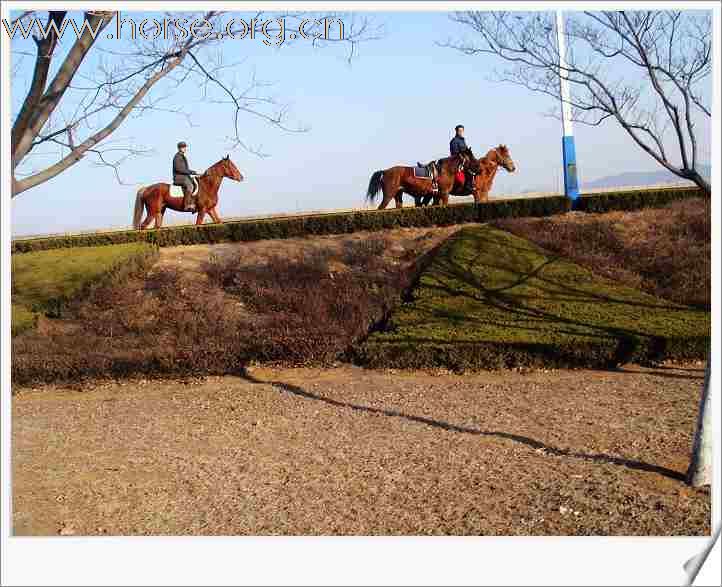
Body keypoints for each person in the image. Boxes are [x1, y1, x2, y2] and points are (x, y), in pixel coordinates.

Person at [172, 141, 198, 211]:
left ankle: (192, 201)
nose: (184, 148)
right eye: (183, 147)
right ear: (179, 148)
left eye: (185, 147)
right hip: (178, 177)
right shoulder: (177, 157)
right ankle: (187, 205)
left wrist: (193, 172)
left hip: (183, 176)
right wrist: (191, 172)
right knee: (190, 185)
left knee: (195, 183)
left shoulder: (182, 156)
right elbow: (179, 169)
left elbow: (185, 169)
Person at [449, 125, 474, 195]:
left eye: (461, 131)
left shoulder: (463, 140)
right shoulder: (454, 141)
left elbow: (466, 151)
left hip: (465, 160)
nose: (460, 132)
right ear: (456, 131)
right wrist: (462, 157)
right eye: (459, 131)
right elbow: (454, 153)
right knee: (469, 171)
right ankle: (467, 186)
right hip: (458, 161)